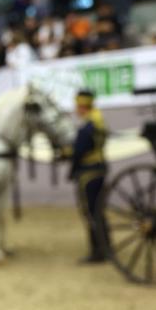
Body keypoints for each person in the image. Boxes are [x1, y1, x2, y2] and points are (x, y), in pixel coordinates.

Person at [68, 90, 110, 263]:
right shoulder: (98, 119)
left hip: (89, 171)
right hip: (99, 167)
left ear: (82, 106)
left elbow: (80, 150)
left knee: (91, 211)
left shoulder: (88, 125)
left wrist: (70, 158)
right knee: (98, 210)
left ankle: (97, 250)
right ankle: (105, 245)